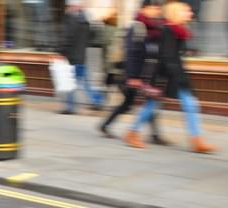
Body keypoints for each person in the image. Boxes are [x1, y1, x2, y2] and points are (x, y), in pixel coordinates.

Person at [144, 1, 214, 153]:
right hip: (167, 75)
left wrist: (187, 51)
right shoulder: (168, 30)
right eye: (186, 11)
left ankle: (197, 140)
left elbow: (174, 53)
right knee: (152, 106)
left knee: (190, 105)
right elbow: (167, 56)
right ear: (176, 12)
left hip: (175, 74)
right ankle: (133, 131)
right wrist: (178, 75)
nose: (190, 14)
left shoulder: (179, 31)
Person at [101, 0, 168, 145]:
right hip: (132, 75)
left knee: (144, 102)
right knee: (134, 103)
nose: (157, 11)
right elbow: (131, 53)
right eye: (154, 8)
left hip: (144, 74)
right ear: (145, 8)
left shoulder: (152, 28)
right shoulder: (137, 27)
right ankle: (153, 135)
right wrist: (133, 76)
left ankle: (154, 134)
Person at [58, 0, 104, 114]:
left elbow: (67, 38)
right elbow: (92, 37)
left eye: (69, 6)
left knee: (70, 83)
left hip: (71, 57)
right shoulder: (86, 19)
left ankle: (70, 108)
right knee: (84, 82)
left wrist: (61, 52)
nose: (67, 8)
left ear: (73, 7)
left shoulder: (70, 19)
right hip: (81, 56)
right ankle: (97, 101)